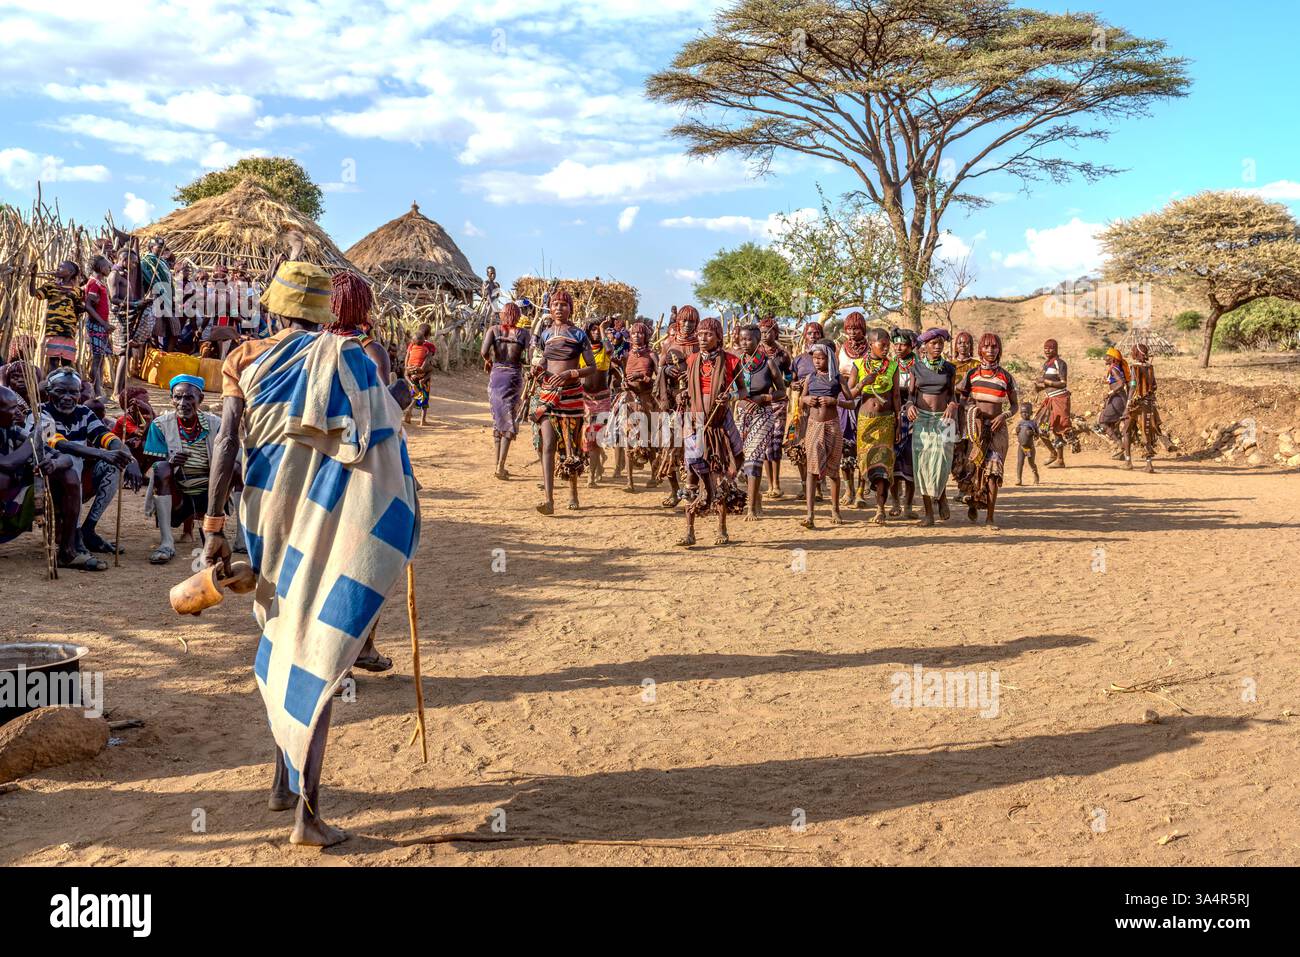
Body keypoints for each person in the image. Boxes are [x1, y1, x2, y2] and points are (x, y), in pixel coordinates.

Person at [204, 260, 419, 847]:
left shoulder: (242, 358)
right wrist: (399, 390)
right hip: (323, 520)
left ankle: (281, 782)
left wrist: (212, 527)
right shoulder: (347, 357)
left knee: (281, 639)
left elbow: (226, 441)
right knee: (316, 651)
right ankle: (307, 815)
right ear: (326, 311)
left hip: (262, 517)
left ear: (273, 307)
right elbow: (384, 422)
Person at [38, 367, 143, 566]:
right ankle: (74, 538)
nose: (68, 397)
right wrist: (104, 454)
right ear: (48, 392)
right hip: (49, 480)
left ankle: (88, 530)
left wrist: (129, 459)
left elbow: (107, 437)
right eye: (61, 391)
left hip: (78, 479)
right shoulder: (40, 412)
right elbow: (59, 443)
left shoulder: (84, 412)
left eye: (73, 392)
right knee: (71, 459)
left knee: (113, 467)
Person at [679, 317, 743, 547]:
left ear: (718, 337)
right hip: (695, 422)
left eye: (708, 335)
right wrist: (684, 394)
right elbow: (689, 386)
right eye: (700, 334)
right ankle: (689, 532)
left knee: (721, 475)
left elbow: (743, 390)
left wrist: (731, 396)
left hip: (719, 424)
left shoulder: (732, 361)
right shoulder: (692, 359)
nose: (703, 339)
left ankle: (722, 529)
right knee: (692, 474)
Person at [531, 289, 595, 515]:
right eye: (555, 304)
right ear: (550, 307)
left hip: (572, 396)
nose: (559, 308)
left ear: (571, 309)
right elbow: (544, 360)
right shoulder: (545, 334)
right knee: (547, 443)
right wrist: (537, 370)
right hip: (548, 395)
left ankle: (573, 492)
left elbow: (592, 367)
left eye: (564, 305)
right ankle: (548, 499)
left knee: (572, 446)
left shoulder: (579, 334)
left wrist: (571, 374)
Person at [956, 333, 1018, 527]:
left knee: (993, 471)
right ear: (980, 349)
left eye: (994, 347)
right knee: (973, 469)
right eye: (987, 347)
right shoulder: (972, 374)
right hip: (976, 429)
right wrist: (967, 415)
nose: (991, 351)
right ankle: (973, 503)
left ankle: (990, 518)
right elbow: (961, 398)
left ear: (999, 350)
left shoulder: (1005, 376)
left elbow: (1014, 406)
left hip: (998, 430)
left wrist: (1003, 416)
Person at [0, 385, 66, 547]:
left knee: (64, 473)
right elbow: (8, 464)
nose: (18, 412)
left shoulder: (11, 431)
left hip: (11, 501)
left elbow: (64, 458)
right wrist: (33, 438)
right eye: (12, 408)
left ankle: (68, 544)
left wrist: (54, 463)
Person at [846, 327, 900, 523]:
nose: (886, 348)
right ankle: (861, 492)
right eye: (882, 345)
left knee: (883, 467)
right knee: (866, 463)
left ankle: (880, 509)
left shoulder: (893, 366)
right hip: (865, 421)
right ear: (871, 344)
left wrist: (898, 423)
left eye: (887, 345)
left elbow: (895, 396)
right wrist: (863, 384)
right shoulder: (858, 365)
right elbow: (848, 395)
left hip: (886, 421)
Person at [907, 327, 958, 526]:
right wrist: (910, 405)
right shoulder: (916, 368)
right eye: (933, 344)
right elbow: (911, 395)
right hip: (922, 419)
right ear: (925, 346)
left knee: (944, 461)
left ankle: (942, 495)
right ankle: (929, 514)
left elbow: (953, 395)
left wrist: (953, 405)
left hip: (944, 420)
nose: (937, 347)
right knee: (923, 465)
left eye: (940, 343)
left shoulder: (950, 369)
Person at [735, 324, 786, 521]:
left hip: (763, 413)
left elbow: (781, 391)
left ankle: (750, 508)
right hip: (742, 414)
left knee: (754, 456)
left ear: (757, 341)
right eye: (742, 339)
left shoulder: (769, 363)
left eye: (748, 339)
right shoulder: (737, 362)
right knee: (742, 458)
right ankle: (756, 496)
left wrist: (764, 398)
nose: (744, 343)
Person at [799, 343, 852, 529]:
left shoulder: (837, 378)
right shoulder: (810, 378)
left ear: (829, 359)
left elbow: (851, 403)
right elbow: (800, 399)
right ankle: (810, 514)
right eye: (814, 358)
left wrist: (834, 401)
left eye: (821, 358)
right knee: (812, 469)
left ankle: (835, 509)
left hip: (832, 426)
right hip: (814, 426)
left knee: (833, 469)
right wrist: (806, 400)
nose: (817, 361)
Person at [481, 302, 532, 480]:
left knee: (498, 420)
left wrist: (488, 361)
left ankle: (498, 465)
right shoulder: (524, 334)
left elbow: (484, 351)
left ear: (502, 315)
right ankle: (500, 466)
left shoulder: (494, 330)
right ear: (518, 317)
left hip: (496, 376)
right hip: (513, 377)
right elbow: (529, 358)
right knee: (509, 419)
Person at [608, 320, 658, 492]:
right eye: (634, 333)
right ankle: (629, 482)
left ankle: (654, 475)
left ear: (646, 336)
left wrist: (645, 379)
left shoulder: (652, 355)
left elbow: (659, 380)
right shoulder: (626, 355)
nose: (637, 335)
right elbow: (619, 375)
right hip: (628, 400)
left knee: (650, 439)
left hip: (646, 400)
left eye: (640, 333)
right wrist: (624, 384)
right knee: (627, 440)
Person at [28, 261, 85, 374]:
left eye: (61, 267)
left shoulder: (78, 291)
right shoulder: (51, 286)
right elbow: (33, 293)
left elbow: (79, 310)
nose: (57, 269)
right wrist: (33, 276)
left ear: (70, 272)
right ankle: (51, 387)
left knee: (67, 364)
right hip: (53, 332)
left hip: (69, 333)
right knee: (53, 362)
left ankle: (64, 387)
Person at [652, 348, 690, 508]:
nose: (676, 366)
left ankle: (692, 495)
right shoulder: (665, 379)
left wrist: (691, 375)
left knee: (693, 456)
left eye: (680, 363)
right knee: (667, 454)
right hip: (670, 414)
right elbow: (657, 391)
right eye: (671, 364)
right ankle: (675, 491)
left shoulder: (695, 351)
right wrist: (664, 370)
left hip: (692, 411)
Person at [836, 312, 868, 506]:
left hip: (864, 400)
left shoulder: (871, 350)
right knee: (844, 448)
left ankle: (860, 491)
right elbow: (834, 374)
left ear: (863, 329)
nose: (852, 332)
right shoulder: (840, 349)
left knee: (863, 447)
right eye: (849, 328)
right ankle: (847, 490)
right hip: (843, 399)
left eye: (855, 328)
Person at [757, 316, 791, 498]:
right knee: (764, 445)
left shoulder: (782, 355)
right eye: (761, 332)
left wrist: (784, 381)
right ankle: (769, 485)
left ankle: (776, 484)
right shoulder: (755, 354)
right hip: (761, 402)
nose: (764, 335)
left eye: (767, 332)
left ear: (775, 333)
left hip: (778, 402)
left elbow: (790, 375)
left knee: (775, 444)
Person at [580, 318, 614, 485]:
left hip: (602, 400)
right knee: (587, 438)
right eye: (592, 330)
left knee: (595, 437)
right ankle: (597, 463)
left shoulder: (605, 351)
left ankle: (591, 476)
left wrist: (602, 330)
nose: (595, 332)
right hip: (585, 400)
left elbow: (609, 347)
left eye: (596, 330)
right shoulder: (582, 353)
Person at [890, 328, 919, 519]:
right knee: (893, 461)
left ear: (911, 345)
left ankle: (908, 504)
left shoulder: (920, 366)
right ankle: (894, 502)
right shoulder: (890, 366)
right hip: (893, 415)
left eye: (903, 344)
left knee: (910, 461)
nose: (898, 347)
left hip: (914, 416)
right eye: (896, 343)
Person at [1123, 342, 1165, 473]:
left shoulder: (1134, 367)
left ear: (1136, 353)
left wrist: (1128, 402)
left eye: (1133, 351)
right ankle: (1149, 464)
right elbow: (1154, 386)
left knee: (1126, 430)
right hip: (1149, 403)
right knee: (1147, 431)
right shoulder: (1150, 367)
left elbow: (1133, 385)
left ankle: (1128, 461)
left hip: (1136, 404)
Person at [1034, 338, 1072, 468]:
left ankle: (1060, 460)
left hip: (1060, 399)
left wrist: (1045, 382)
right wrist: (1039, 387)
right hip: (1050, 399)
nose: (1047, 350)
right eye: (1045, 348)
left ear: (1056, 349)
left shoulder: (1060, 363)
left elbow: (1063, 383)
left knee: (1058, 428)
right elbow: (1046, 384)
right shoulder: (1047, 364)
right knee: (1039, 426)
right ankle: (1053, 453)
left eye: (1050, 348)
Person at [1096, 346, 1130, 456]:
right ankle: (1120, 453)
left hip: (1118, 398)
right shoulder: (1116, 368)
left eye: (1107, 356)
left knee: (1102, 421)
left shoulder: (1114, 369)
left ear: (1113, 359)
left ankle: (1118, 444)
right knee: (1113, 425)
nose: (1105, 358)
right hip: (1119, 398)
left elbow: (1121, 383)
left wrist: (1110, 393)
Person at [404, 324, 436, 426]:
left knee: (414, 393)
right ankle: (422, 420)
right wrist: (422, 369)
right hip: (423, 374)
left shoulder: (411, 344)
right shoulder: (430, 346)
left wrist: (406, 367)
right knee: (424, 395)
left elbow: (407, 356)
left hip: (411, 372)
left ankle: (410, 410)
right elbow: (427, 359)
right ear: (428, 334)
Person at [1015, 402, 1041, 485]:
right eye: (1022, 412)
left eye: (1026, 412)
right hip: (1021, 447)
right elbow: (1014, 432)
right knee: (1020, 462)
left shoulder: (1033, 423)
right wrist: (1016, 430)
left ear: (1031, 413)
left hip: (1030, 447)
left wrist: (1032, 433)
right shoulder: (1019, 422)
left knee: (1031, 463)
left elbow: (1038, 435)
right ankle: (1019, 479)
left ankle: (1036, 475)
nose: (1024, 414)